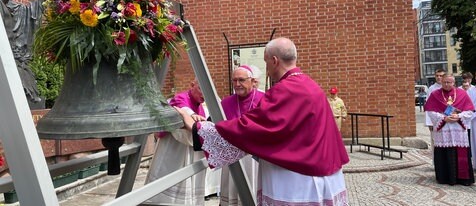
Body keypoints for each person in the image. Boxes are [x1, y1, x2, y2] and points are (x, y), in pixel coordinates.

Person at [176, 37, 349, 205]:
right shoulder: (312, 85)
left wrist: (197, 128)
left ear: (274, 61)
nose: (267, 69)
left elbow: (255, 128)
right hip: (322, 171)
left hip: (297, 180)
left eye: (266, 63)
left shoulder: (284, 90)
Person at [144, 79, 207, 205]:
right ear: (192, 85)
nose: (203, 94)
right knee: (168, 181)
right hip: (173, 149)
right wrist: (192, 115)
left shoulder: (202, 107)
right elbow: (181, 107)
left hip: (189, 151)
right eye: (201, 89)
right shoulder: (181, 97)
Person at [219, 65, 265, 205]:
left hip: (255, 157)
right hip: (232, 157)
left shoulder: (264, 99)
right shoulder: (226, 103)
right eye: (234, 81)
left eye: (241, 80)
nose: (237, 84)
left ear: (252, 81)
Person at [0, 0, 43, 107]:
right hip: (5, 59)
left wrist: (43, 3)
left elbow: (24, 11)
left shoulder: (6, 4)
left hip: (12, 59)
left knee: (26, 80)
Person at [424, 73, 475, 186]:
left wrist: (459, 116)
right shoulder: (435, 94)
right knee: (444, 153)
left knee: (460, 153)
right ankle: (445, 178)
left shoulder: (462, 93)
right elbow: (430, 111)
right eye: (445, 82)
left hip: (458, 129)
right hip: (444, 129)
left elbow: (470, 111)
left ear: (454, 83)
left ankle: (462, 178)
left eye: (449, 82)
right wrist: (444, 118)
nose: (447, 84)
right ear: (441, 82)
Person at [425, 69, 446, 159]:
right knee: (435, 141)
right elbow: (428, 106)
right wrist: (429, 122)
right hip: (435, 119)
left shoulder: (448, 87)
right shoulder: (431, 89)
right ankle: (436, 162)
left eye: (441, 76)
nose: (439, 77)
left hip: (447, 118)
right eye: (437, 75)